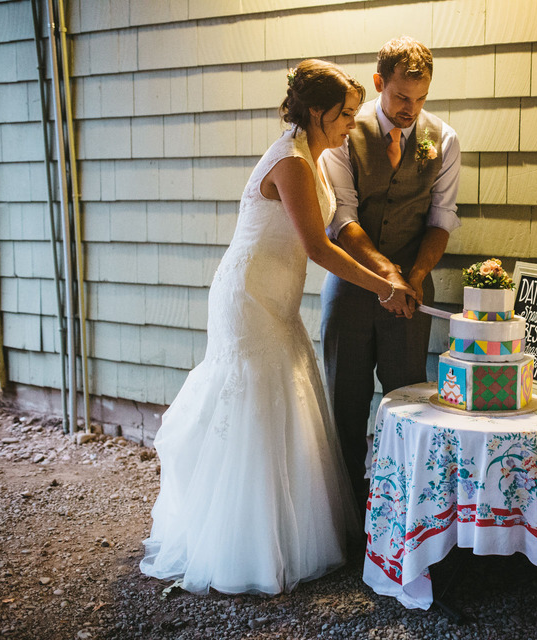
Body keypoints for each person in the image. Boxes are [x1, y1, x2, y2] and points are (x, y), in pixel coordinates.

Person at [140, 59, 414, 595]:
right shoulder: (290, 161)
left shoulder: (314, 156)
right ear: (317, 111)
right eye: (344, 115)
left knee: (285, 403)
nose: (349, 126)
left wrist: (386, 273)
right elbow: (317, 247)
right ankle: (244, 547)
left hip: (278, 299)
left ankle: (287, 538)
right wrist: (383, 287)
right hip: (248, 297)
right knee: (252, 407)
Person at [321, 36, 461, 513]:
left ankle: (402, 512)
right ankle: (347, 517)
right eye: (402, 97)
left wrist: (416, 276)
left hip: (413, 290)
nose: (411, 109)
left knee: (406, 402)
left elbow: (442, 218)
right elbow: (343, 218)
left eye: (421, 99)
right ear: (379, 83)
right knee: (347, 400)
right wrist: (386, 275)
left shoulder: (443, 139)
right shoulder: (343, 135)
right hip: (352, 284)